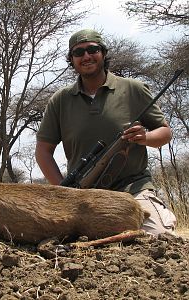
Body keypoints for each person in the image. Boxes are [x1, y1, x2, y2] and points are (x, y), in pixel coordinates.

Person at [35, 29, 176, 236]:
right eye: (78, 52)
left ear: (103, 53)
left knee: (160, 239)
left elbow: (165, 132)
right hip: (83, 197)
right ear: (71, 60)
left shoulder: (133, 88)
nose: (86, 56)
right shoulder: (60, 100)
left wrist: (144, 138)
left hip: (133, 189)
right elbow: (43, 152)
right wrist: (63, 193)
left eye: (93, 49)